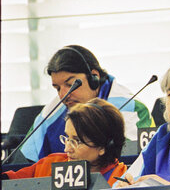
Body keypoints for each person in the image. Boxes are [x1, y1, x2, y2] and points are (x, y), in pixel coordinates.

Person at [17, 45, 152, 162]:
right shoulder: (52, 112)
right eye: (57, 88)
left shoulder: (132, 108)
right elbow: (23, 160)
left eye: (71, 84)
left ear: (94, 77)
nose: (63, 96)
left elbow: (138, 162)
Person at [2, 99, 128, 186]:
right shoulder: (48, 165)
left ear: (103, 146)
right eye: (67, 138)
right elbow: (10, 183)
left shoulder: (122, 179)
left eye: (77, 141)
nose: (67, 149)